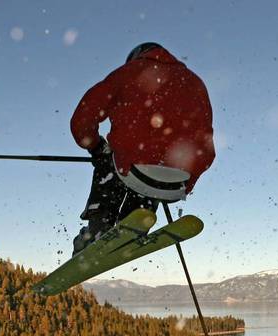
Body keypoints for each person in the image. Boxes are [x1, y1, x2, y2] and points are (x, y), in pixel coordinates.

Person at [70, 42, 216, 255]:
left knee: (110, 160)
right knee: (146, 174)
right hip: (177, 180)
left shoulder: (127, 73)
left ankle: (98, 228)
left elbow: (82, 120)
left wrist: (96, 147)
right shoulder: (195, 82)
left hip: (137, 170)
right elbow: (207, 148)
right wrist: (187, 183)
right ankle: (134, 225)